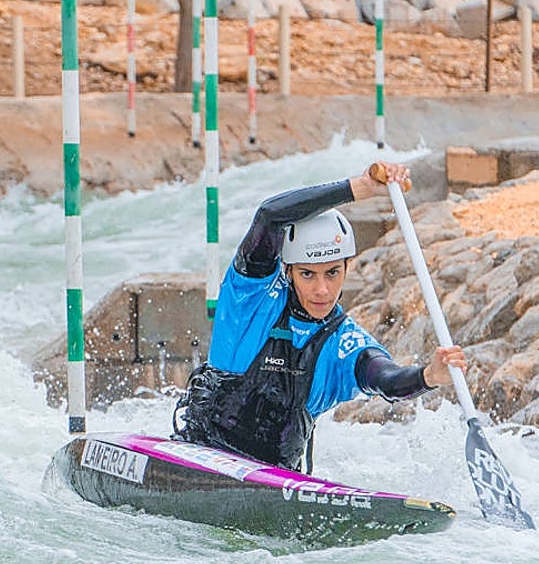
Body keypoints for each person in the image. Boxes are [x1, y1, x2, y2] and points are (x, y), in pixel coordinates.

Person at [172, 161, 467, 473]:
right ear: (288, 271)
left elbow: (387, 380)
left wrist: (428, 376)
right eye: (308, 274)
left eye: (332, 273)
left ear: (347, 267)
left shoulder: (344, 342)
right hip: (200, 456)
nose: (322, 290)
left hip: (275, 481)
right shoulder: (250, 300)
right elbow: (270, 216)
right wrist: (360, 188)